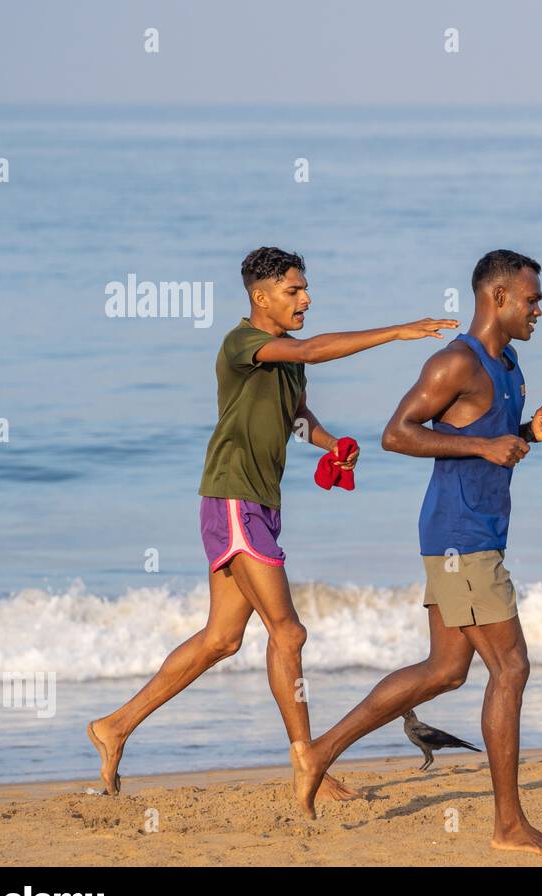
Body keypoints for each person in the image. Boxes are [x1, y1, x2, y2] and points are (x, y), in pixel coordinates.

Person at [87, 246, 457, 806]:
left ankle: (114, 726)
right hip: (233, 499)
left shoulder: (289, 359)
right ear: (261, 297)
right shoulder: (242, 344)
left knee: (222, 639)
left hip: (257, 503)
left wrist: (333, 444)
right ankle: (308, 759)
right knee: (289, 633)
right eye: (293, 290)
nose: (306, 298)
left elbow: (296, 418)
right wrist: (399, 331)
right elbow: (309, 348)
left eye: (305, 288)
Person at [289, 249, 542, 855]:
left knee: (444, 670)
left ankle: (318, 752)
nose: (539, 309)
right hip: (460, 538)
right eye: (532, 298)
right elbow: (396, 433)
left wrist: (524, 436)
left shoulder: (511, 364)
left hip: (475, 534)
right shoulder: (455, 363)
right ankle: (508, 825)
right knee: (511, 667)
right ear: (497, 298)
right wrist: (487, 448)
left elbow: (484, 438)